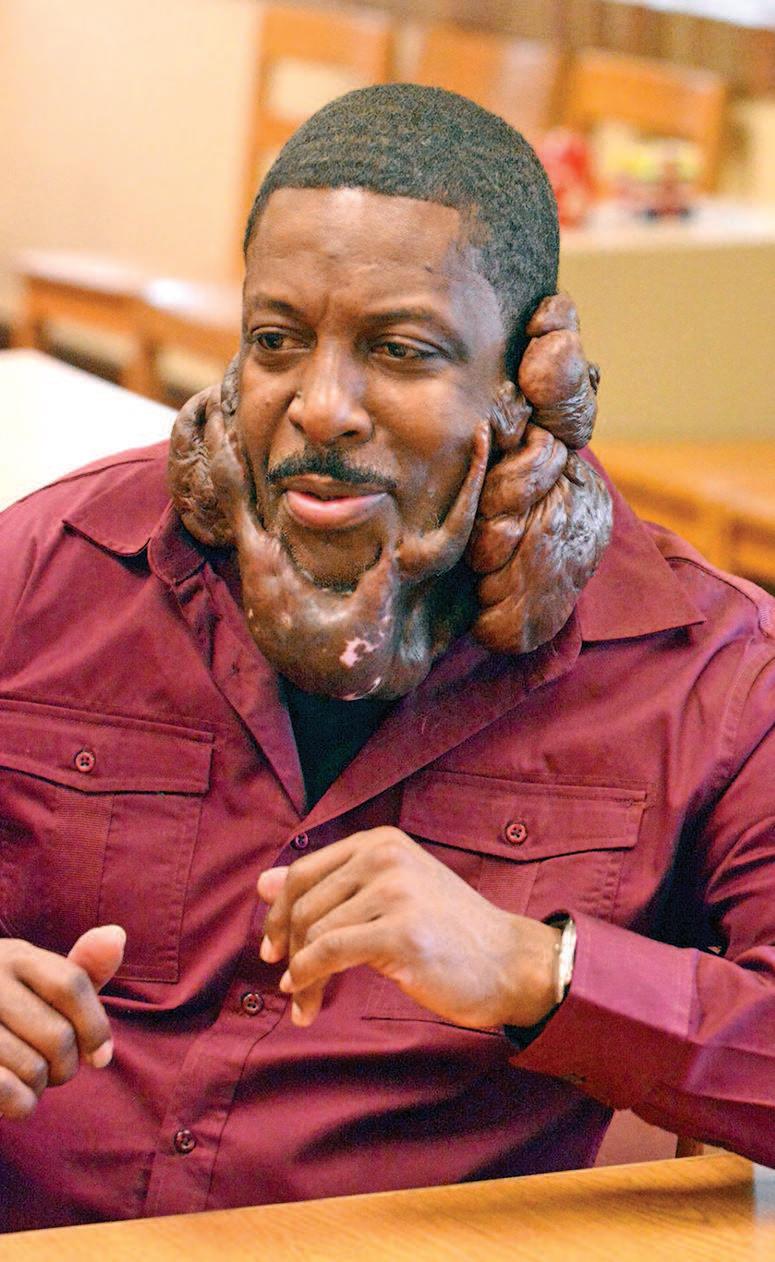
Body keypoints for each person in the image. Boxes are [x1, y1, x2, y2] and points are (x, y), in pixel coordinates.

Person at [0, 85, 773, 1233]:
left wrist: (534, 969)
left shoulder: (705, 671)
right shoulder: (48, 566)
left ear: (528, 376)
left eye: (400, 350)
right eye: (276, 340)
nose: (320, 407)